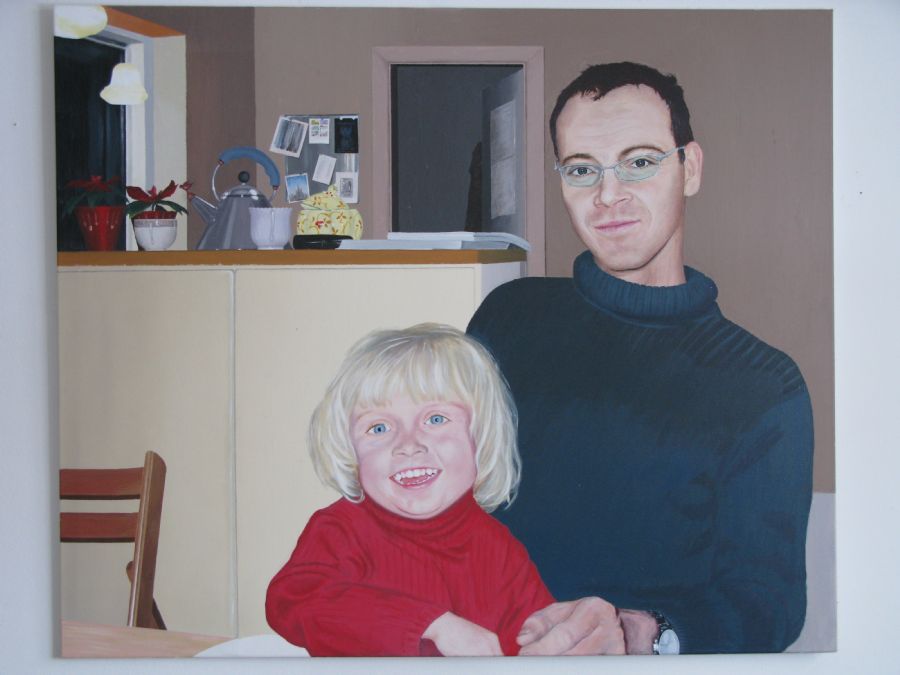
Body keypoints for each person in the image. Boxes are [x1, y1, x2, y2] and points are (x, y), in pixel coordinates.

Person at [467, 62, 814, 655]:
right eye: (582, 169)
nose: (608, 196)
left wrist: (640, 633)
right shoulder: (508, 315)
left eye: (640, 162)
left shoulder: (764, 382)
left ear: (690, 168)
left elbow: (769, 605)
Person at [265, 323, 568, 657]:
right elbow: (295, 600)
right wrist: (431, 624)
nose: (408, 445)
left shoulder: (500, 550)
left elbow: (534, 641)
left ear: (480, 436)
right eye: (379, 427)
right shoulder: (341, 530)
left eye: (435, 419)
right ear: (350, 448)